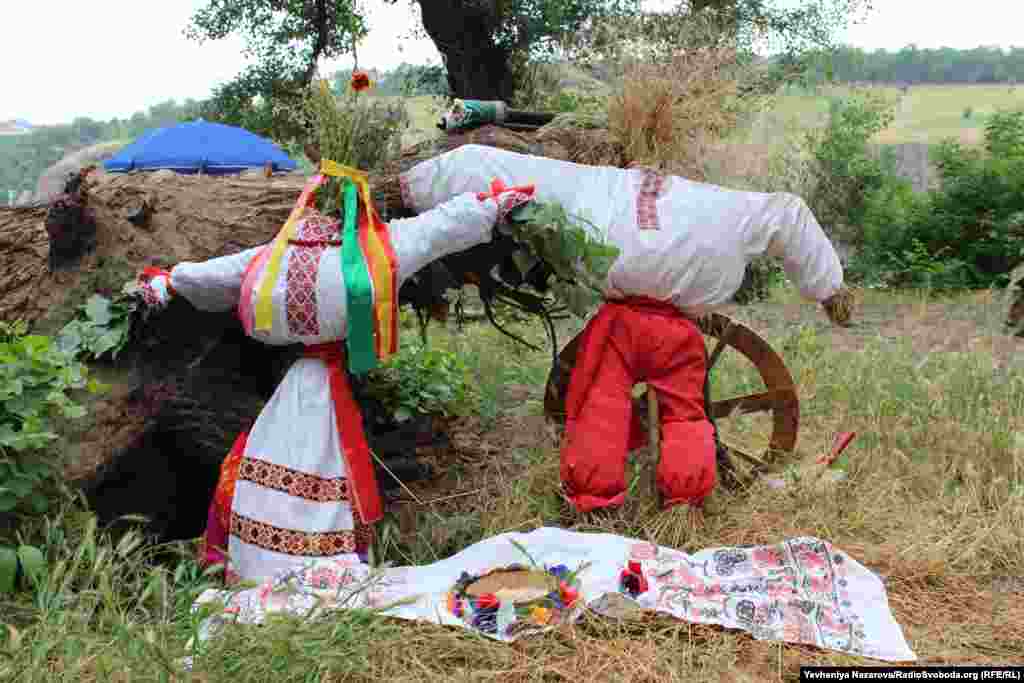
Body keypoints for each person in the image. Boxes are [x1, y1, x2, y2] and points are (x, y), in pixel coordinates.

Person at [130, 164, 536, 584]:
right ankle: (320, 554)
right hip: (326, 380)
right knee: (325, 456)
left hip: (292, 386)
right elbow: (437, 229)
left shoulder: (274, 256)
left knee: (274, 454)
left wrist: (170, 282)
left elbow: (214, 275)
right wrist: (490, 208)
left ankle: (259, 558)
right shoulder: (372, 251)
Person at [398, 143, 849, 517]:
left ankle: (594, 506)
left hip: (620, 327)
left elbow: (489, 164)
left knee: (601, 406)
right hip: (677, 334)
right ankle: (685, 508)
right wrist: (830, 290)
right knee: (686, 415)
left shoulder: (596, 184)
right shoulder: (730, 207)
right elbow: (789, 213)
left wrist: (415, 187)